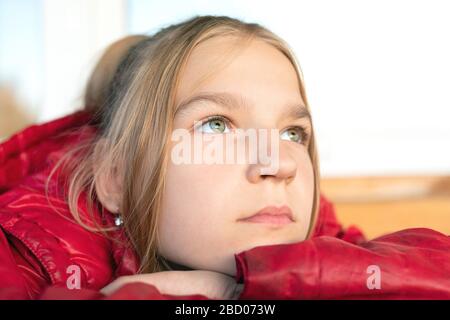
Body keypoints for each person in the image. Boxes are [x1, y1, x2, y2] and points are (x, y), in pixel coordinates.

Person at [0, 15, 448, 300]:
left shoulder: (333, 246)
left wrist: (237, 291)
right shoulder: (25, 263)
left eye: (293, 132)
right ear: (116, 178)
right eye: (217, 125)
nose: (280, 163)